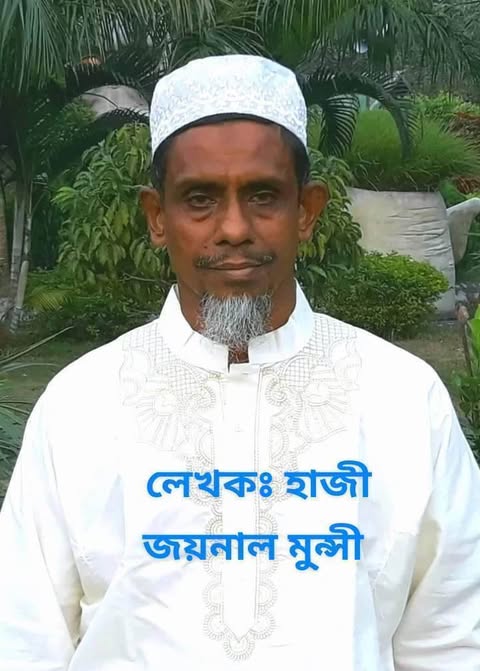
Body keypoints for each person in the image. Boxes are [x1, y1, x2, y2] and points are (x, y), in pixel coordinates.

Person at [0, 54, 479, 671]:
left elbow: (452, 639)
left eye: (263, 196)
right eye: (200, 199)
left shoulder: (403, 399)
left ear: (306, 211)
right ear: (157, 218)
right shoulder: (80, 405)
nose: (233, 228)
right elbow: (23, 639)